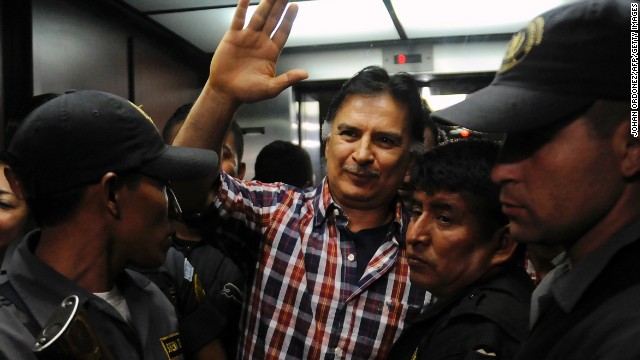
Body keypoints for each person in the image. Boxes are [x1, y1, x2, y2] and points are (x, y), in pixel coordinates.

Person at [172, 1, 429, 358]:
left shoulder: (426, 249)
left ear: (409, 161)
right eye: (349, 134)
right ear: (328, 143)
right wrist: (219, 92)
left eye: (385, 140)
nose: (363, 153)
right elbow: (185, 189)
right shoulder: (276, 213)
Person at [431, 0, 640, 358]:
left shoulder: (625, 334)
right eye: (509, 142)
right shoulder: (575, 286)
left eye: (536, 136)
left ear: (631, 147)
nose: (500, 171)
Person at [0, 90, 220, 359]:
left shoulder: (153, 301)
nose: (175, 209)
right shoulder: (9, 335)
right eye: (161, 184)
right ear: (112, 194)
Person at [388, 140, 534, 359]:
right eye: (417, 212)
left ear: (503, 243)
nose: (415, 236)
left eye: (444, 219)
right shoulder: (474, 303)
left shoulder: (480, 333)